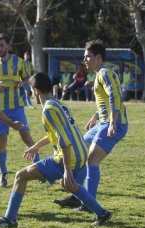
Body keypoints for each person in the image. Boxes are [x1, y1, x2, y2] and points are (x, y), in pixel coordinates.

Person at [0, 72, 112, 228]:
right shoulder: (58, 104)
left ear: (36, 91)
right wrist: (37, 146)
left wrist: (67, 170)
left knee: (20, 176)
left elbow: (64, 140)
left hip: (68, 157)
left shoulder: (48, 110)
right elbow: (60, 133)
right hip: (80, 153)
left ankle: (9, 219)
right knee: (69, 185)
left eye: (31, 91)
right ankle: (102, 213)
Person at [53, 39, 128, 211]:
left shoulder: (106, 74)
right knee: (80, 152)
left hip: (114, 124)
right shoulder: (100, 74)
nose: (85, 60)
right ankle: (77, 196)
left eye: (87, 56)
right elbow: (106, 101)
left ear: (98, 57)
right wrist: (95, 117)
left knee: (91, 160)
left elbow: (115, 97)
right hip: (102, 123)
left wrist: (112, 123)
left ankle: (88, 202)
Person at [0, 33, 39, 187]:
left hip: (16, 108)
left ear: (7, 46)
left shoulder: (19, 62)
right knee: (1, 142)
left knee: (27, 138)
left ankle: (41, 170)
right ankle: (3, 174)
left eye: (1, 45)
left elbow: (29, 79)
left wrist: (23, 83)